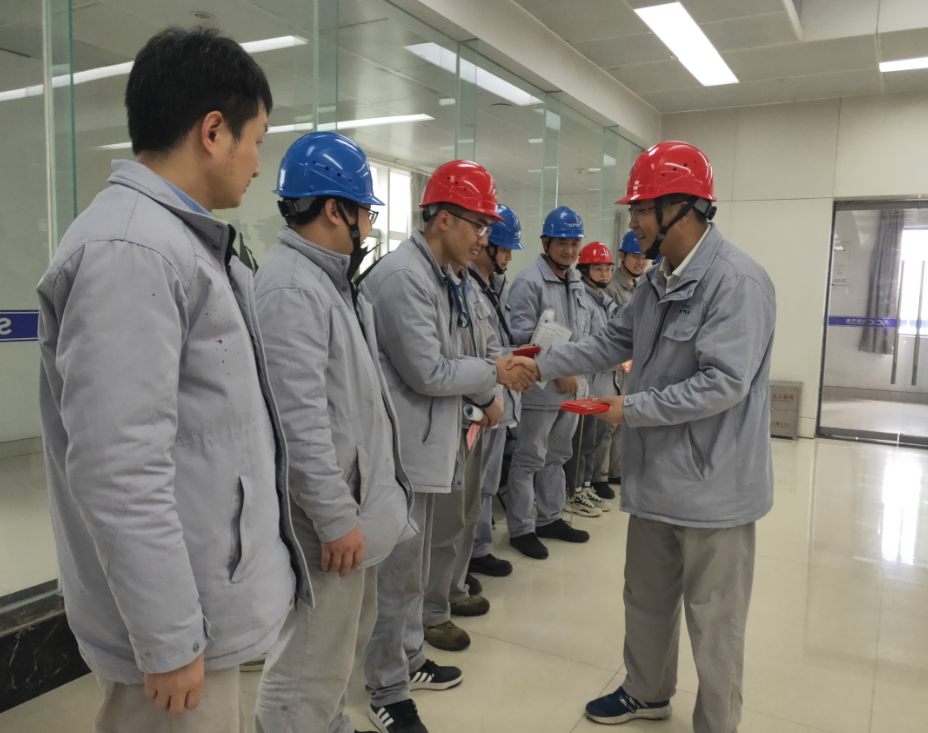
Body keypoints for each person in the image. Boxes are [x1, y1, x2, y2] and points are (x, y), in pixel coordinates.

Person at [36, 28, 310, 732]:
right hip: (178, 629)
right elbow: (118, 466)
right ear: (213, 132)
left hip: (203, 604)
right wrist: (168, 637)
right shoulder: (132, 250)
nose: (258, 165)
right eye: (256, 140)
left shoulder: (179, 241)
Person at [527, 141, 776, 733]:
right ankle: (646, 691)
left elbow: (723, 383)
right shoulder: (656, 280)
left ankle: (717, 723)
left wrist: (631, 409)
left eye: (641, 209)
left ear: (682, 208)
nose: (633, 222)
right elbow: (612, 341)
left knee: (715, 620)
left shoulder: (737, 282)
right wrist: (536, 364)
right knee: (645, 597)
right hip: (657, 476)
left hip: (714, 487)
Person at [361, 160, 536, 733]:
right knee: (395, 577)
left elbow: (462, 354)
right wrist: (494, 375)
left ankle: (409, 659)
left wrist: (492, 375)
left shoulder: (444, 276)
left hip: (431, 445)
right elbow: (430, 370)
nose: (483, 239)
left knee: (413, 571)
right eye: (477, 225)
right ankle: (385, 687)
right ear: (441, 219)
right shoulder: (402, 278)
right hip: (401, 453)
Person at [252, 132, 415, 733]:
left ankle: (328, 724)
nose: (368, 225)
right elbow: (298, 422)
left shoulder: (328, 282)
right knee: (307, 663)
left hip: (352, 511)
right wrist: (333, 516)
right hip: (329, 521)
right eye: (364, 212)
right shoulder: (292, 288)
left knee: (336, 651)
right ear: (332, 209)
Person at [421, 256, 504, 653]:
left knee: (468, 512)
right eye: (477, 228)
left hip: (475, 420)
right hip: (448, 421)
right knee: (443, 522)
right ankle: (432, 613)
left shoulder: (468, 288)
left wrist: (491, 396)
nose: (480, 239)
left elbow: (491, 351)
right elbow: (438, 368)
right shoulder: (418, 282)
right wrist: (487, 394)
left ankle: (454, 588)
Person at [506, 206, 593, 561]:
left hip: (572, 389)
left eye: (574, 243)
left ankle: (550, 518)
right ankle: (521, 529)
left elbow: (583, 335)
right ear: (545, 242)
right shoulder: (529, 282)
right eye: (562, 243)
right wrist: (560, 370)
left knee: (557, 456)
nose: (569, 250)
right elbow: (521, 339)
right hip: (540, 389)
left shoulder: (576, 283)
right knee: (530, 458)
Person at [467, 205, 523, 580]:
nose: (507, 257)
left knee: (487, 483)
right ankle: (468, 554)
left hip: (499, 395)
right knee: (472, 486)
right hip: (480, 400)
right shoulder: (469, 286)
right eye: (503, 249)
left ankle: (478, 548)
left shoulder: (495, 287)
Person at [562, 242, 617, 512]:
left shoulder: (603, 301)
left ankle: (584, 486)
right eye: (598, 268)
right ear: (584, 270)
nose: (604, 274)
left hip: (602, 384)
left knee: (592, 442)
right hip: (587, 384)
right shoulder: (582, 299)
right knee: (580, 443)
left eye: (608, 269)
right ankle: (573, 492)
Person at [595, 230, 647, 496]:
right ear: (622, 256)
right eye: (635, 256)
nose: (640, 262)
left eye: (643, 257)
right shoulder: (612, 288)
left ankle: (615, 470)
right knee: (607, 425)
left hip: (630, 364)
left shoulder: (638, 286)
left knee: (621, 421)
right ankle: (598, 477)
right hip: (613, 365)